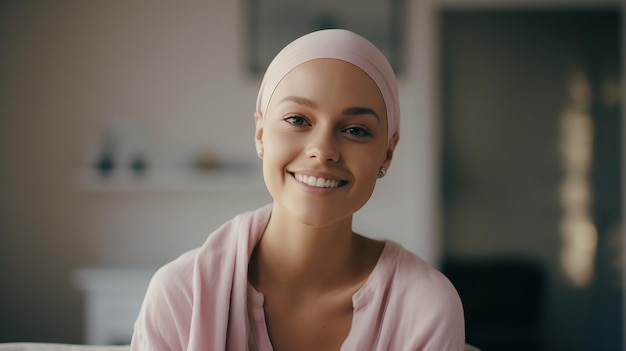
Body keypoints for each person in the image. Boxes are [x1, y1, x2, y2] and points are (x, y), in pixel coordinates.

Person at [130, 29, 465, 351]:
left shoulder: (425, 307)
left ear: (387, 154)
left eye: (355, 130)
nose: (323, 150)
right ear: (260, 133)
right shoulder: (180, 296)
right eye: (297, 120)